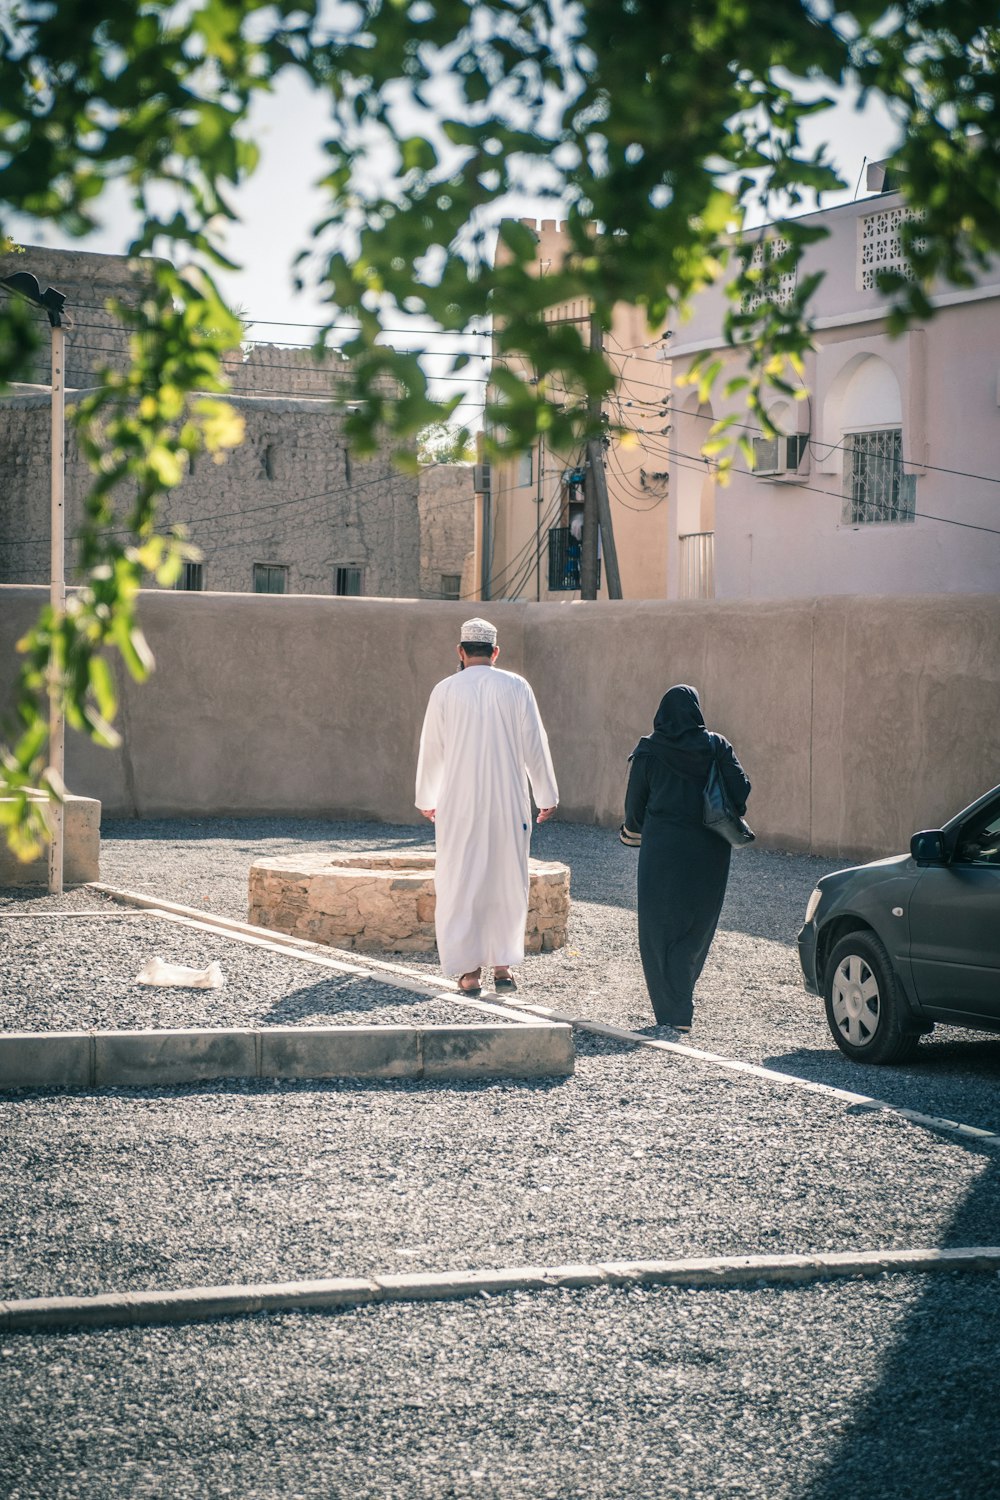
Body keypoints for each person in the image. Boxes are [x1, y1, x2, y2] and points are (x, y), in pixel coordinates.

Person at [415, 618, 558, 996]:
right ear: (495, 652)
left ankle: (468, 973)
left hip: (458, 803)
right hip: (508, 801)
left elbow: (433, 749)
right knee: (505, 880)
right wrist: (546, 796)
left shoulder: (444, 690)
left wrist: (427, 798)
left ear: (460, 652)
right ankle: (503, 968)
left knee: (460, 881)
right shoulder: (517, 687)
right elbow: (535, 745)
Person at [621, 684, 750, 1034]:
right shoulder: (716, 746)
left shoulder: (648, 750)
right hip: (709, 849)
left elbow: (634, 807)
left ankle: (672, 1010)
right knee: (698, 923)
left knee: (658, 927)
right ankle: (683, 991)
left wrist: (635, 831)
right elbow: (741, 790)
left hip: (662, 851)